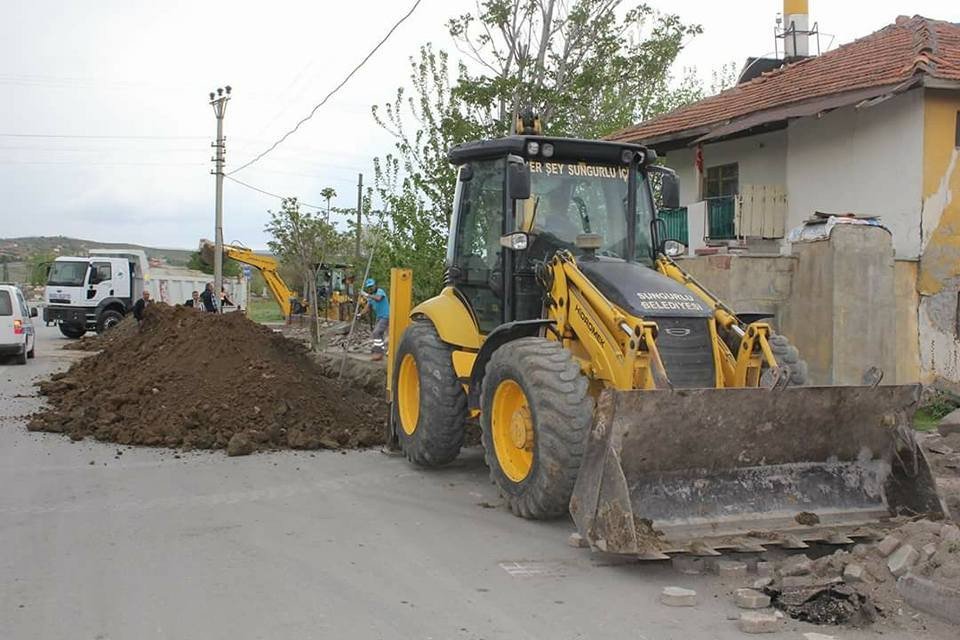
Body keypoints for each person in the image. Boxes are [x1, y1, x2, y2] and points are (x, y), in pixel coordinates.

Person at [360, 278, 389, 361]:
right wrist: (359, 314)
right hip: (379, 317)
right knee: (378, 334)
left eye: (372, 286)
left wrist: (367, 295)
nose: (371, 288)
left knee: (376, 332)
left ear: (375, 285)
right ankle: (380, 351)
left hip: (385, 316)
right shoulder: (371, 297)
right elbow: (367, 308)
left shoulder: (380, 292)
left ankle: (378, 353)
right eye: (369, 287)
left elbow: (378, 298)